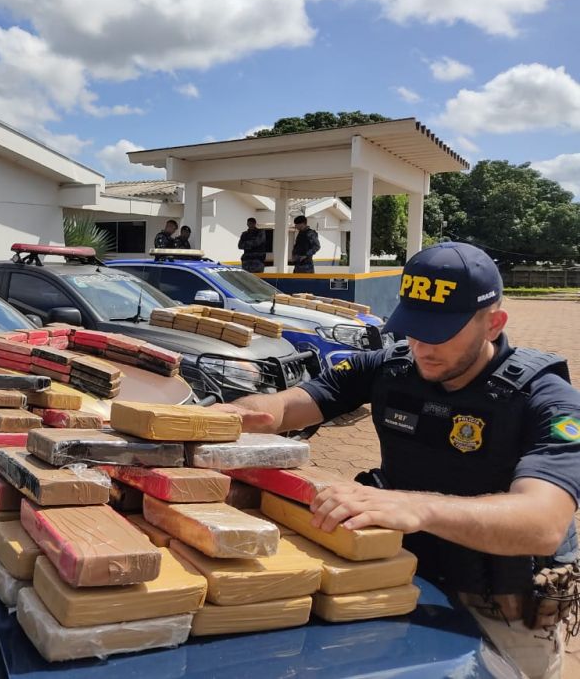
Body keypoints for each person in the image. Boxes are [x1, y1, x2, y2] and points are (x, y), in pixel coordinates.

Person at [213, 242, 580, 679]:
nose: (422, 345)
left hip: (501, 608)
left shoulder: (547, 398)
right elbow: (295, 404)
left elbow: (544, 523)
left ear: (493, 323)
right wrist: (246, 413)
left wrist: (416, 506)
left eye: (441, 332)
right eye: (414, 328)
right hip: (400, 578)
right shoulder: (391, 367)